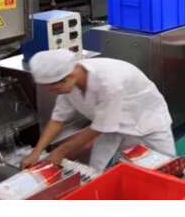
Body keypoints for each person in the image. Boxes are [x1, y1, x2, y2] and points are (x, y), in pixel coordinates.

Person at [20, 49, 175, 171]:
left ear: (71, 75)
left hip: (146, 123)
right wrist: (36, 154)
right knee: (95, 172)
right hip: (109, 127)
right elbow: (57, 120)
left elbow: (100, 127)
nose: (53, 94)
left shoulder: (109, 81)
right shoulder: (68, 84)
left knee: (166, 171)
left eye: (54, 89)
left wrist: (61, 151)